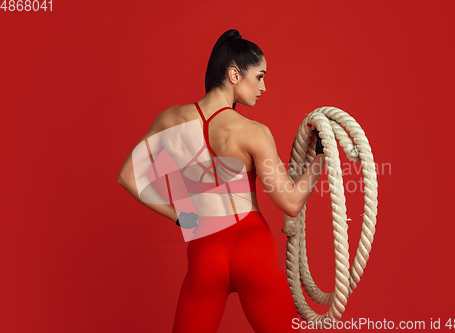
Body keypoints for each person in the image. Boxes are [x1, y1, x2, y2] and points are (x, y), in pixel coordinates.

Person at [117, 29, 325, 333]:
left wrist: (180, 217)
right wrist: (319, 159)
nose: (264, 87)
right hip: (251, 247)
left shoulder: (170, 120)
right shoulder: (253, 132)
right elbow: (291, 202)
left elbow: (127, 176)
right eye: (260, 76)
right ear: (234, 75)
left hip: (204, 250)